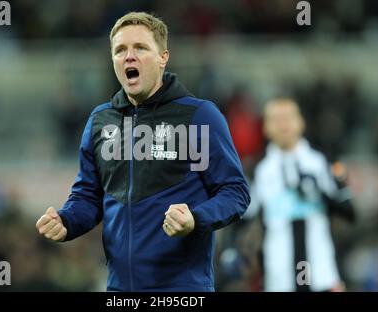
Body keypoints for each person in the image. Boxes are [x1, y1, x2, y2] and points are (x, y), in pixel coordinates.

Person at [36, 12, 250, 292]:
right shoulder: (101, 121)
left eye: (140, 48)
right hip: (119, 290)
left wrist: (196, 218)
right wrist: (66, 221)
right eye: (120, 50)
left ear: (163, 58)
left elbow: (235, 192)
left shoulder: (199, 116)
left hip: (182, 289)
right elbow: (89, 195)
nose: (129, 56)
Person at [245, 98, 355, 292]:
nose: (283, 124)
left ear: (301, 122)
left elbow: (350, 212)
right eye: (276, 119)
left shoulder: (322, 161)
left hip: (322, 274)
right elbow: (243, 217)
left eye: (288, 117)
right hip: (279, 278)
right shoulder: (258, 170)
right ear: (265, 127)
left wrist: (319, 192)